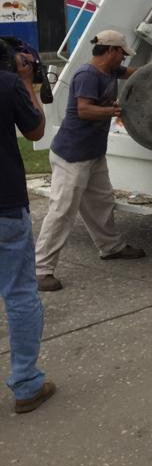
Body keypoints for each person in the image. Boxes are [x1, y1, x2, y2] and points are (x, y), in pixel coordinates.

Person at [35, 30, 146, 292]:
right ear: (111, 51)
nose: (123, 58)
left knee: (101, 201)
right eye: (122, 53)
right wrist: (114, 111)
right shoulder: (87, 75)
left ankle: (111, 247)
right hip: (71, 156)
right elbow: (84, 110)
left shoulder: (112, 71)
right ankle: (41, 269)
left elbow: (135, 73)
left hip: (93, 153)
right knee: (63, 210)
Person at [0, 39, 56, 413]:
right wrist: (25, 82)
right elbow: (36, 131)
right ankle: (26, 385)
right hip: (5, 204)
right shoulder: (8, 84)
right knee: (19, 294)